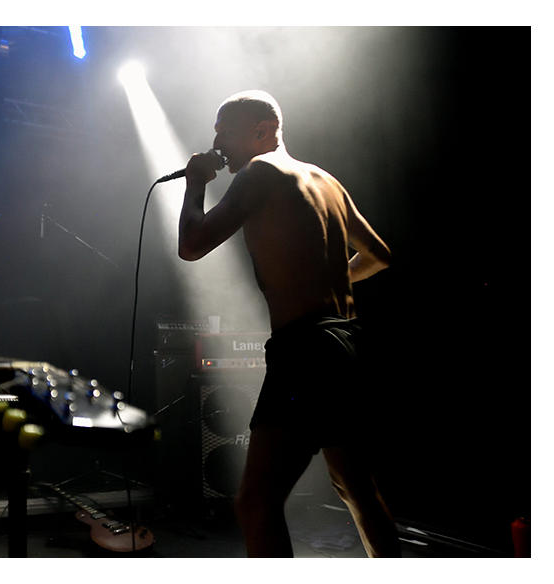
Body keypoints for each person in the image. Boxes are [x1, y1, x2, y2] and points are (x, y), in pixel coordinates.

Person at [178, 90, 400, 557]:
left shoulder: (259, 173)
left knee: (255, 502)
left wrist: (196, 183)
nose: (216, 141)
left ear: (262, 130)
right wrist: (330, 280)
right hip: (346, 344)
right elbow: (380, 255)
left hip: (305, 351)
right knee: (356, 488)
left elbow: (192, 245)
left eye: (225, 130)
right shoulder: (327, 182)